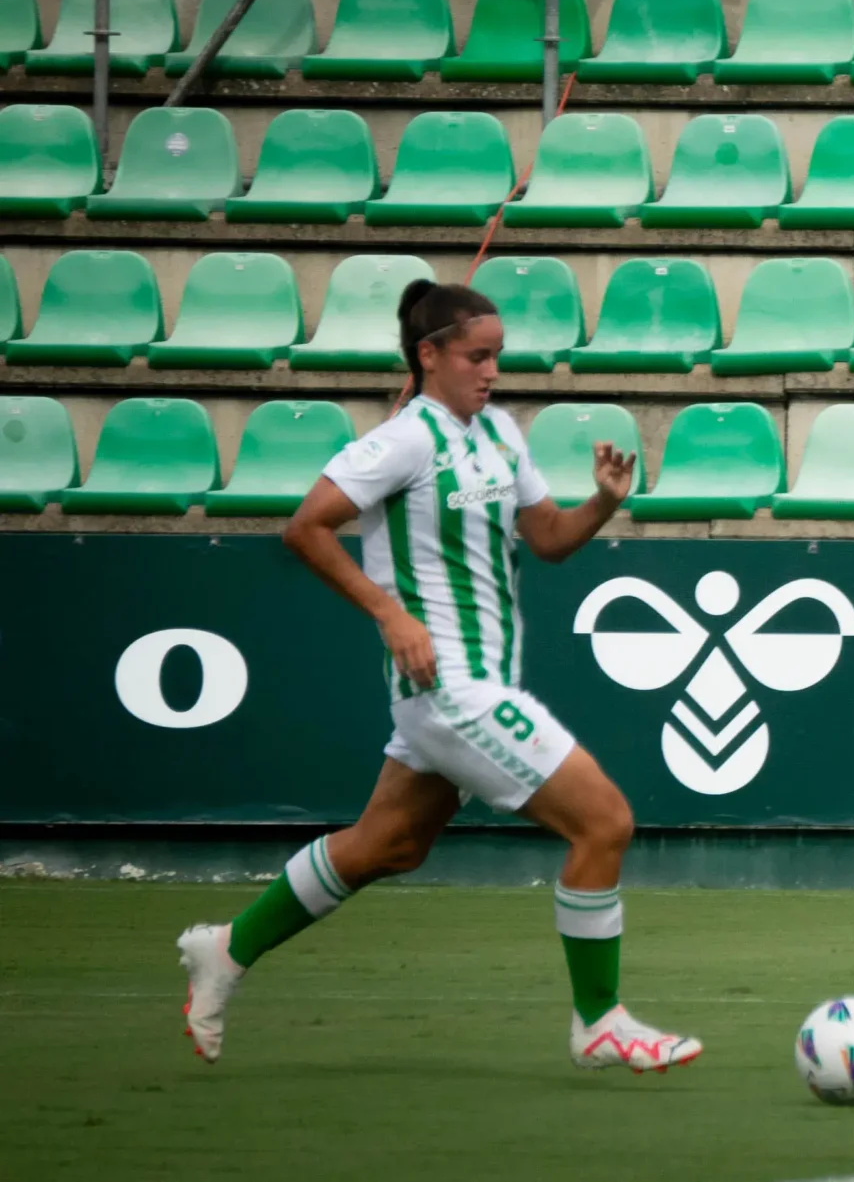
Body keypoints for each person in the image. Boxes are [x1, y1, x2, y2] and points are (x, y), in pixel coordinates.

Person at [175, 280, 702, 1073]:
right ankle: (599, 1020)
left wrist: (601, 503)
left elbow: (549, 538)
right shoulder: (406, 440)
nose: (492, 371)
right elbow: (306, 528)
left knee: (387, 844)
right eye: (477, 355)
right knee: (606, 822)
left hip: (471, 684)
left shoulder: (497, 433)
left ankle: (226, 947)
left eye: (497, 356)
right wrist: (390, 614)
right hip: (450, 688)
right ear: (428, 355)